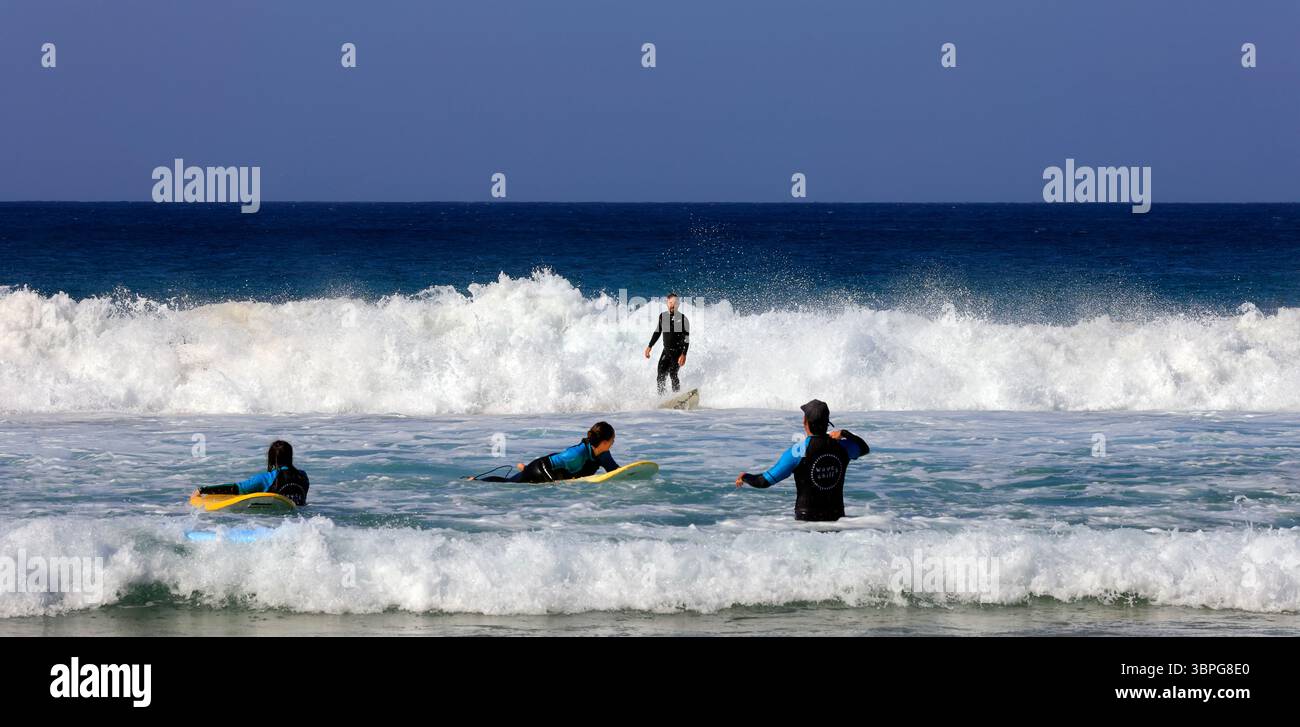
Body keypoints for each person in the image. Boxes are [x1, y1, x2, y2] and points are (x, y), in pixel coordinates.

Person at [734, 400, 869, 521]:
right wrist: (845, 433)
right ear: (827, 423)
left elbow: (763, 482)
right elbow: (864, 449)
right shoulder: (843, 447)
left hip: (807, 520)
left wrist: (745, 477)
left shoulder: (797, 451)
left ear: (805, 422)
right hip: (836, 518)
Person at [471, 422, 620, 483]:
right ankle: (476, 481)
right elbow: (545, 465)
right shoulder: (576, 454)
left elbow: (615, 472)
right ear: (605, 442)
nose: (613, 443)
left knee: (519, 476)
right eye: (613, 440)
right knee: (510, 483)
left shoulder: (604, 454)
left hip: (559, 471)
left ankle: (524, 468)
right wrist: (552, 484)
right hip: (541, 469)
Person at [196, 440, 311, 506]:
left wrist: (203, 490)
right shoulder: (303, 476)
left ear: (272, 458)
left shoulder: (267, 478)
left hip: (275, 522)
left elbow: (235, 488)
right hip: (299, 522)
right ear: (290, 457)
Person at [644, 292, 690, 394]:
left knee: (673, 374)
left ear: (678, 304)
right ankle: (662, 397)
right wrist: (649, 346)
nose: (673, 305)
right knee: (660, 375)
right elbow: (657, 332)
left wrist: (684, 354)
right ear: (667, 303)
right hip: (666, 352)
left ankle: (677, 396)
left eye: (675, 303)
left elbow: (686, 339)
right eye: (670, 302)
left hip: (677, 352)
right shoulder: (662, 316)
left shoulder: (683, 319)